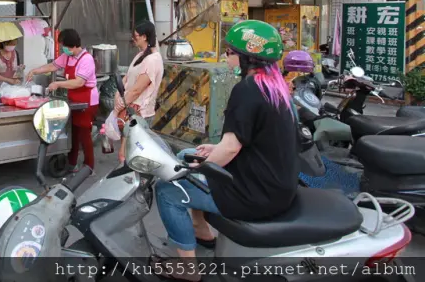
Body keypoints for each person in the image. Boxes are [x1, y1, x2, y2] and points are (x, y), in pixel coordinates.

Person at [153, 20, 298, 280]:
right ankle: (202, 231)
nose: (226, 57)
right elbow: (246, 140)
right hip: (274, 184)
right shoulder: (274, 87)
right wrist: (207, 154)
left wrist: (198, 167)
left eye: (230, 52)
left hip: (253, 193)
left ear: (247, 57)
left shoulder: (247, 89)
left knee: (167, 190)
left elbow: (230, 148)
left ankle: (188, 269)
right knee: (189, 156)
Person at [27, 29, 99, 172]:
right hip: (74, 99)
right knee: (73, 132)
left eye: (64, 46)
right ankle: (72, 163)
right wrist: (34, 71)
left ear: (72, 45)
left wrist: (58, 84)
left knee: (84, 134)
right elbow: (53, 66)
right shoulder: (68, 56)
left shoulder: (86, 59)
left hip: (87, 100)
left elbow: (79, 82)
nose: (63, 49)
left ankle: (89, 166)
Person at [114, 21, 163, 162]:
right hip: (129, 111)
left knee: (131, 154)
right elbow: (127, 78)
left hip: (139, 113)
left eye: (136, 36)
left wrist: (120, 105)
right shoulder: (141, 55)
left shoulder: (153, 60)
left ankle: (135, 181)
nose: (133, 39)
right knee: (126, 153)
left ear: (145, 37)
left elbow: (137, 90)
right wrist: (118, 94)